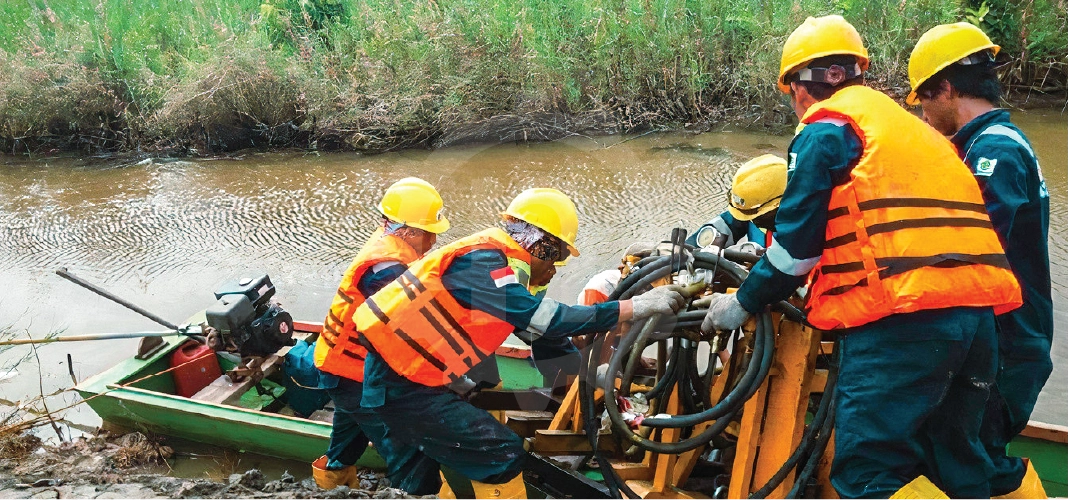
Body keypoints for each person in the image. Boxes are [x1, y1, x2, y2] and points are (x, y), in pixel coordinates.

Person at [699, 15, 1022, 499]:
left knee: (868, 471)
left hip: (901, 321)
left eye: (790, 94)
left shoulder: (828, 129)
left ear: (799, 87)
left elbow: (794, 252)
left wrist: (742, 302)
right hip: (976, 321)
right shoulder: (913, 130)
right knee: (958, 461)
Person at [351, 188, 688, 499]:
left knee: (450, 454)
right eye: (555, 258)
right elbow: (545, 319)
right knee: (502, 453)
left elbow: (541, 337)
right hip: (402, 384)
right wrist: (631, 307)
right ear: (540, 245)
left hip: (420, 377)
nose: (554, 270)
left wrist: (588, 374)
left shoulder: (499, 269)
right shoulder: (481, 262)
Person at [908, 22, 1052, 500]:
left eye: (924, 102)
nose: (925, 116)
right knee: (973, 455)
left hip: (1007, 347)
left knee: (963, 457)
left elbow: (970, 246)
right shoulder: (983, 145)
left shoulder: (995, 153)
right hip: (1003, 342)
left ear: (945, 89)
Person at [310, 177, 450, 493]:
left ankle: (331, 482)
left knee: (348, 436)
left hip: (336, 363)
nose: (434, 241)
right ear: (411, 231)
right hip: (352, 372)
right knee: (407, 446)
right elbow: (408, 328)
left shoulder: (389, 245)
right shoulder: (389, 267)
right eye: (431, 233)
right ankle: (413, 493)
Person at [686, 154, 789, 250]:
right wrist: (684, 249)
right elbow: (724, 225)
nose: (752, 220)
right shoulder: (750, 207)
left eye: (757, 215)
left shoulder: (802, 230)